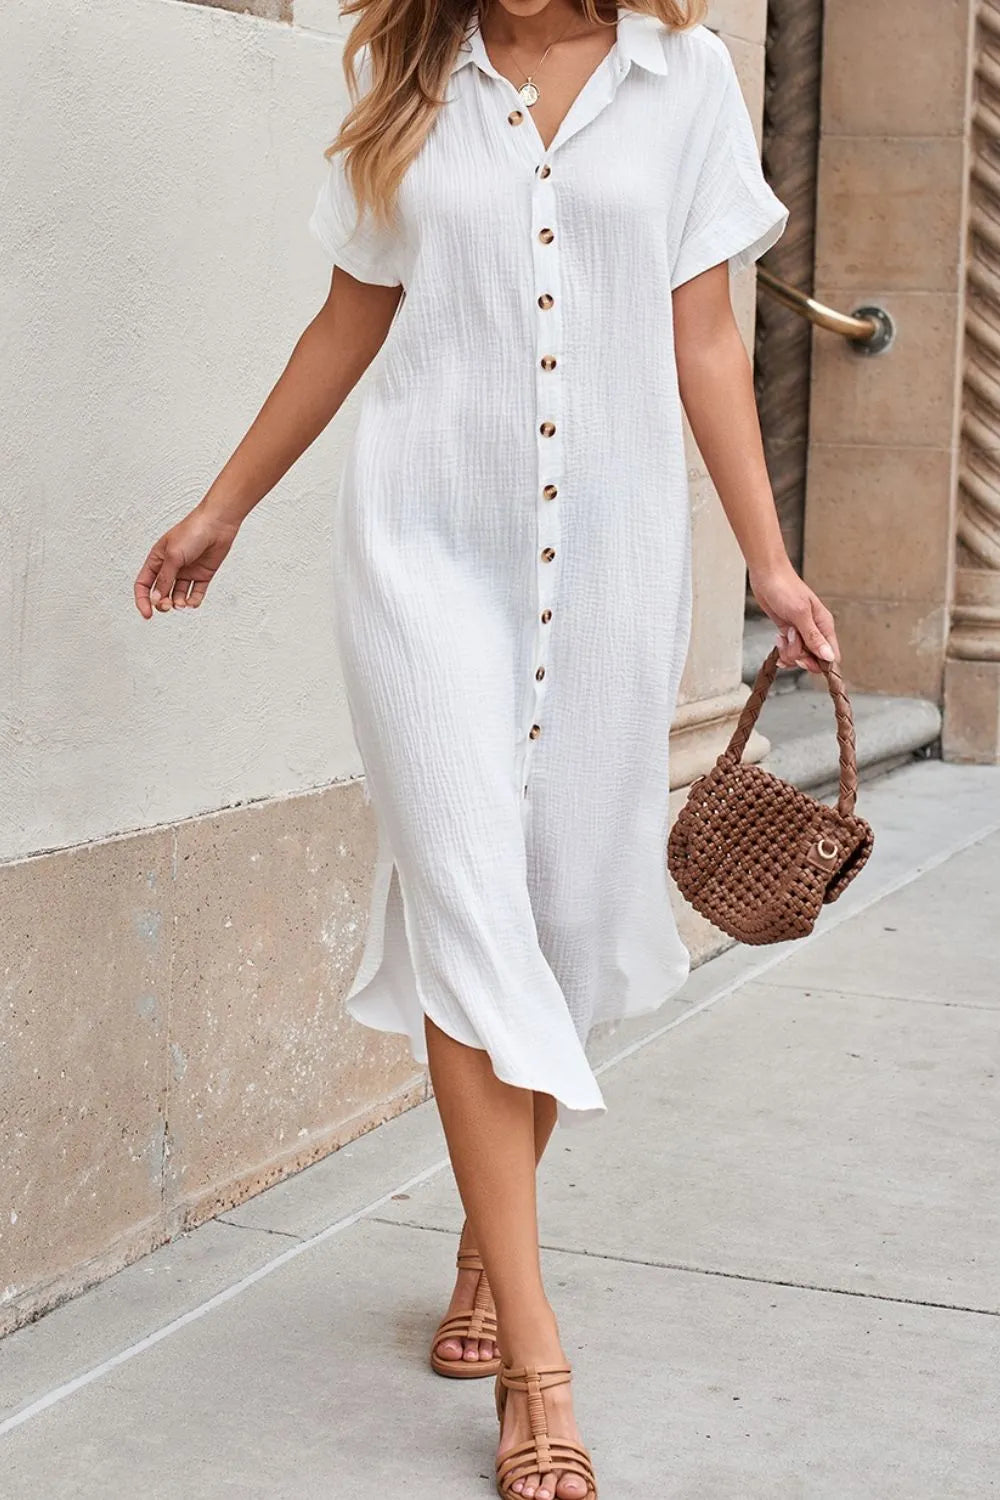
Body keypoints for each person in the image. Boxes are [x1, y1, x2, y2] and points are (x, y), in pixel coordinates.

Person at [133, 1, 840, 1494]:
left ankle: (481, 1234)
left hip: (608, 562)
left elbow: (703, 335)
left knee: (564, 920)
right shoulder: (412, 76)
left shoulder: (685, 77)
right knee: (465, 901)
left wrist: (771, 566)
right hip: (419, 556)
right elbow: (351, 316)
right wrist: (224, 505)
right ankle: (536, 1362)